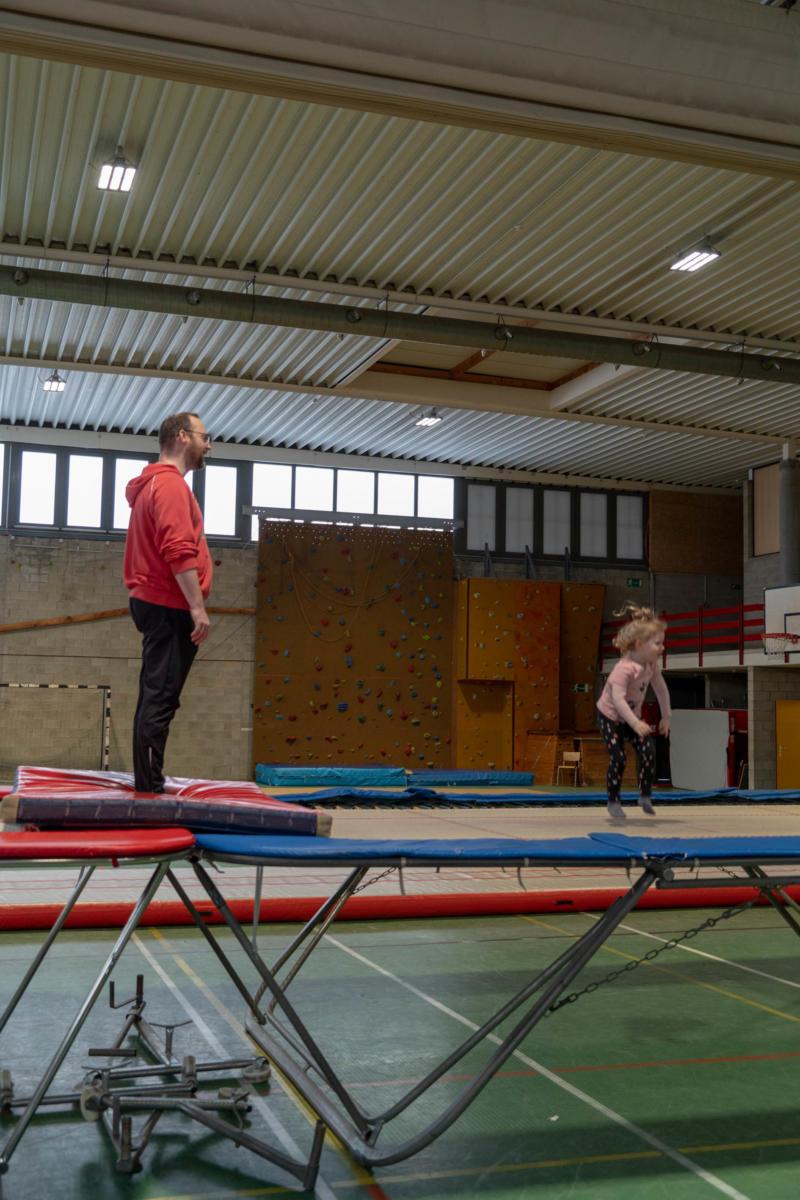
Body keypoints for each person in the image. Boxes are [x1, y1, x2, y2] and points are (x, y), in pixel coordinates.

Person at [123, 412, 213, 793]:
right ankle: (149, 785)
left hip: (156, 601)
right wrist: (197, 606)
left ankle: (148, 778)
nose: (208, 445)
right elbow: (177, 549)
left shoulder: (152, 485)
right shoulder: (171, 486)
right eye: (204, 437)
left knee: (156, 694)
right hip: (168, 603)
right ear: (182, 436)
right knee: (160, 697)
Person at [596, 604, 671, 821]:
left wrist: (666, 715)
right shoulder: (623, 669)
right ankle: (613, 800)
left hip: (632, 718)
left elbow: (660, 687)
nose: (662, 648)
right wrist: (635, 724)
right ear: (639, 644)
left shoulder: (651, 663)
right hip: (610, 717)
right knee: (618, 757)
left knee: (648, 751)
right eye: (658, 643)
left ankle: (645, 796)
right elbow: (618, 701)